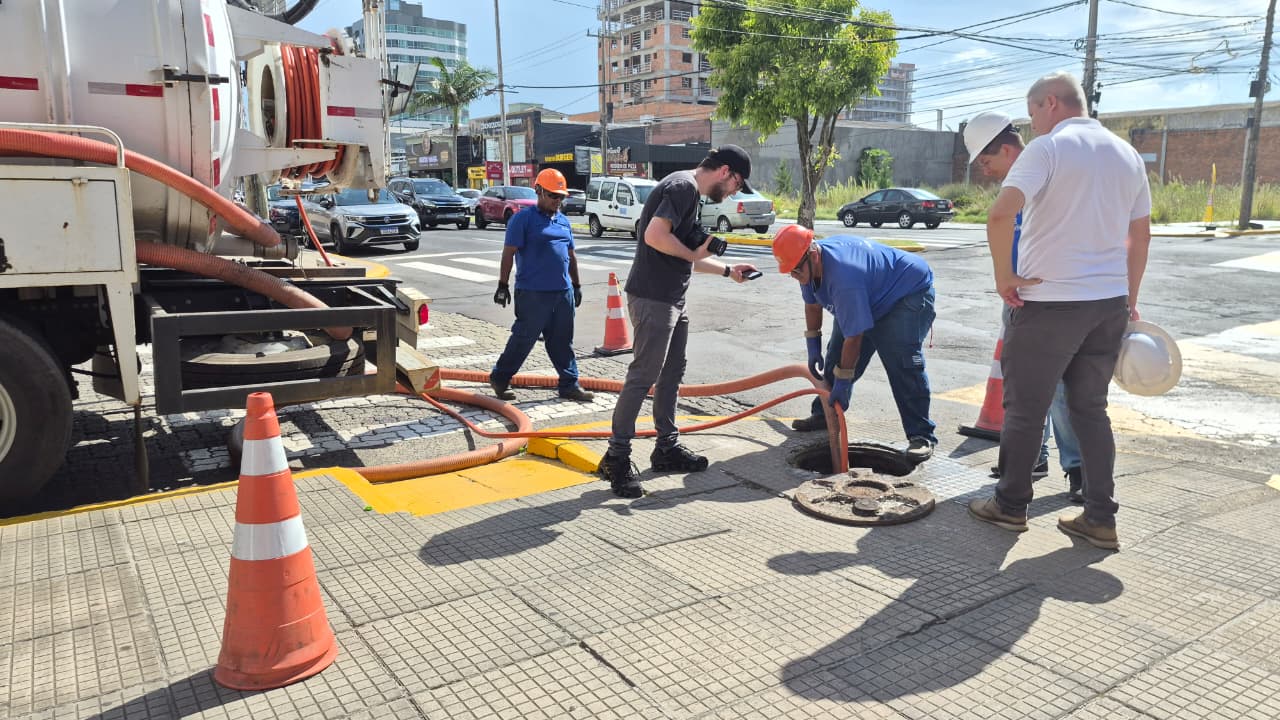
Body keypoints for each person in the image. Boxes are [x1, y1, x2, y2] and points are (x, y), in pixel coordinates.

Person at [967, 71, 1152, 550]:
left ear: (1050, 103)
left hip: (1050, 304)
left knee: (1025, 409)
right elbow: (1140, 236)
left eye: (1031, 114)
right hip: (1108, 304)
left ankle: (1009, 506)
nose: (1031, 126)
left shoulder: (1047, 149)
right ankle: (1099, 518)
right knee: (1091, 410)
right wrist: (1129, 300)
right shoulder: (1128, 154)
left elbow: (999, 213)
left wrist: (1003, 277)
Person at [600, 145, 760, 498]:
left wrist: (729, 271)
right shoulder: (683, 187)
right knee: (643, 377)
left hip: (671, 299)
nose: (734, 192)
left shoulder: (688, 192)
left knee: (670, 375)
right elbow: (654, 236)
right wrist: (692, 253)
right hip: (654, 298)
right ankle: (616, 457)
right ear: (726, 172)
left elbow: (684, 255)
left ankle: (666, 448)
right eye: (737, 184)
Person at [965, 110, 1085, 503]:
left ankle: (1079, 470)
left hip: (1053, 300)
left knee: (1064, 388)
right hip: (1021, 299)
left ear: (1006, 149)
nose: (985, 171)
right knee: (1025, 390)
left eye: (987, 161)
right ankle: (1032, 458)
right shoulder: (1021, 182)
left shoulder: (1048, 169)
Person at [773, 225, 938, 460]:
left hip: (905, 292)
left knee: (902, 362)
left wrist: (844, 380)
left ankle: (921, 435)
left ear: (813, 255)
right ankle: (824, 415)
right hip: (870, 291)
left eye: (796, 271)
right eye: (789, 271)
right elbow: (812, 304)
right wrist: (813, 345)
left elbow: (855, 337)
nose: (794, 276)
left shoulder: (844, 278)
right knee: (834, 357)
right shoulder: (804, 265)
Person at [489, 168, 594, 403]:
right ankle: (500, 377)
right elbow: (508, 253)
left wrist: (576, 285)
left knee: (562, 341)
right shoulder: (522, 219)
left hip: (562, 292)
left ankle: (569, 383)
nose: (558, 201)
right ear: (539, 191)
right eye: (553, 196)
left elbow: (570, 256)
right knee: (523, 338)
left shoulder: (564, 221)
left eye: (561, 197)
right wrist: (502, 285)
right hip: (533, 293)